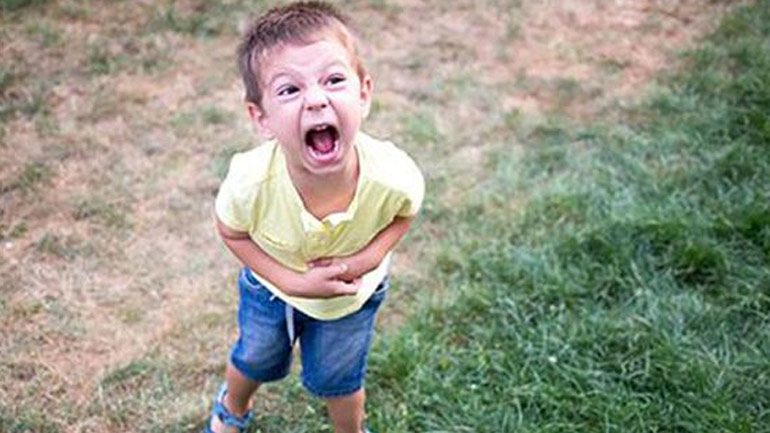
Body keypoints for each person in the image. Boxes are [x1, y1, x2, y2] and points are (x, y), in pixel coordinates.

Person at [205, 2, 425, 433]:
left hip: (350, 300)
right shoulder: (250, 182)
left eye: (334, 80)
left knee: (340, 380)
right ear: (261, 118)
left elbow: (404, 215)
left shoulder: (393, 174)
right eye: (290, 90)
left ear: (363, 94)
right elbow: (231, 230)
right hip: (269, 292)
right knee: (254, 358)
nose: (317, 99)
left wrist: (364, 260)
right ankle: (232, 408)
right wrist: (290, 282)